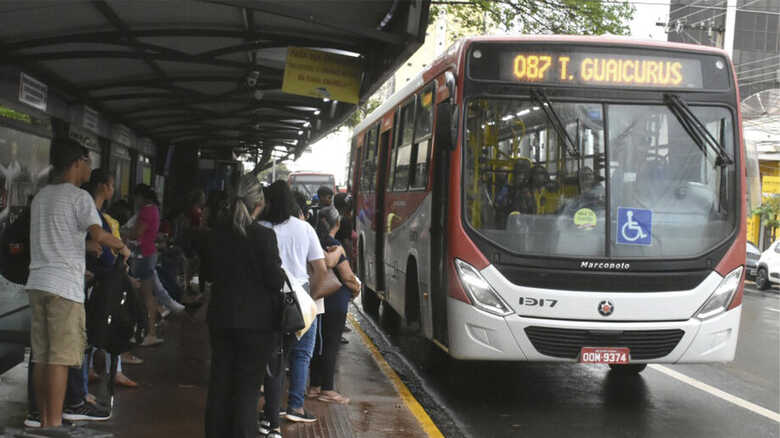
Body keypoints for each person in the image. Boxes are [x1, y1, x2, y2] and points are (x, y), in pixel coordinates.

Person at [26, 137, 130, 428]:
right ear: (76, 164)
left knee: (43, 356)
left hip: (38, 283)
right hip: (64, 288)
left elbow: (56, 238)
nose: (89, 167)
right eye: (87, 161)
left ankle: (41, 417)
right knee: (60, 358)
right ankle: (53, 423)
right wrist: (122, 246)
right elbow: (98, 235)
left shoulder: (42, 196)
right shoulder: (79, 197)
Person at [201, 175, 284, 438]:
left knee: (220, 384)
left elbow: (208, 274)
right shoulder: (264, 236)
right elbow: (274, 280)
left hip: (221, 319)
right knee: (247, 390)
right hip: (257, 325)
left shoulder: (215, 234)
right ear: (259, 203)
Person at [259, 180, 331, 431]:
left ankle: (270, 410)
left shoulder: (258, 228)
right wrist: (308, 295)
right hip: (299, 301)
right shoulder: (304, 229)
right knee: (301, 354)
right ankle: (296, 407)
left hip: (267, 300)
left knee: (273, 356)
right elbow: (321, 269)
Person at [84, 169, 140, 389]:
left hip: (103, 275)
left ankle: (104, 369)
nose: (113, 190)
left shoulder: (99, 214)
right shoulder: (91, 212)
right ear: (102, 186)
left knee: (100, 322)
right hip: (96, 276)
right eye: (111, 185)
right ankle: (103, 370)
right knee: (101, 322)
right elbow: (97, 241)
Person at [308, 206, 360, 404]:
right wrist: (356, 288)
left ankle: (314, 386)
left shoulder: (314, 241)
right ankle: (328, 389)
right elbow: (347, 276)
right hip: (335, 301)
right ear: (337, 224)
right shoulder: (335, 245)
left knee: (317, 344)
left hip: (317, 298)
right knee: (331, 344)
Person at [128, 184, 163, 346]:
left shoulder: (146, 211)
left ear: (141, 197)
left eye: (136, 197)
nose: (135, 201)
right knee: (148, 295)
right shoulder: (154, 209)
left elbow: (137, 233)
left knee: (140, 295)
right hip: (149, 253)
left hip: (142, 255)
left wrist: (122, 232)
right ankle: (149, 332)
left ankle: (147, 332)